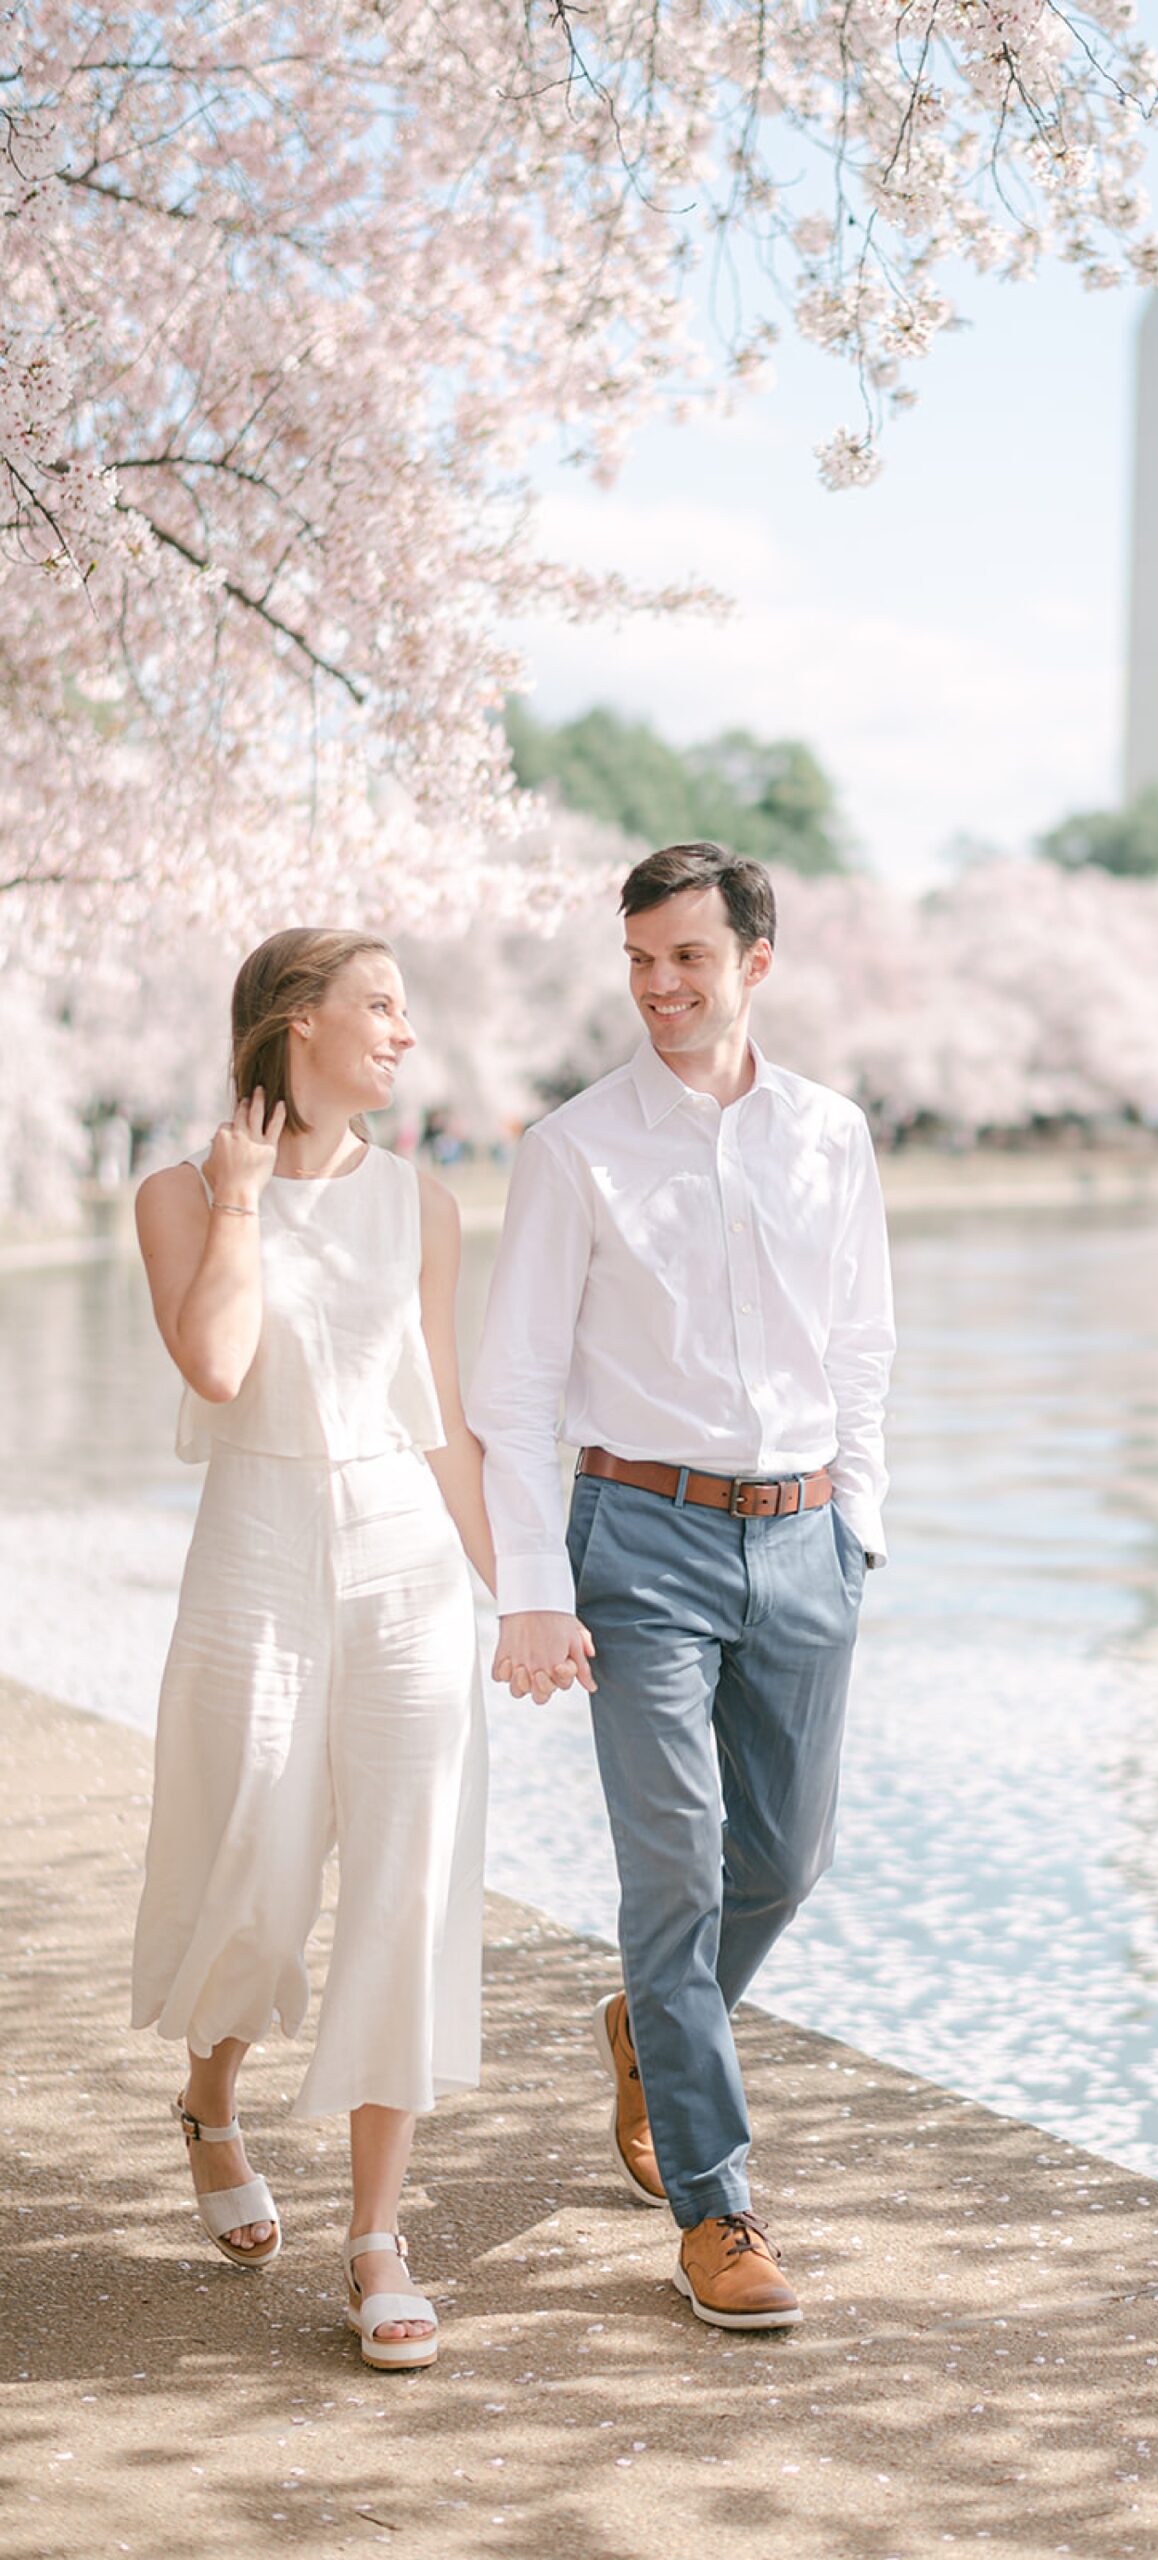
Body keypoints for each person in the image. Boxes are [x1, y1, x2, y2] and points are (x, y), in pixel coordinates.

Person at [468, 842, 894, 2331]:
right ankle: (719, 2214)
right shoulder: (574, 1147)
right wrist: (532, 1585)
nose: (659, 987)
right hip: (636, 1542)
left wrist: (859, 1524)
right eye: (640, 961)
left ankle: (650, 2031)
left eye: (688, 960)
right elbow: (513, 1386)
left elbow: (860, 1346)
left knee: (779, 1864)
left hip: (802, 1540)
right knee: (675, 1869)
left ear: (754, 963)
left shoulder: (830, 1135)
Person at [130, 928, 492, 2373]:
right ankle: (211, 2106)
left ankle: (377, 2237)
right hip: (256, 1555)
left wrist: (520, 1588)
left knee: (405, 1886)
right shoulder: (179, 1191)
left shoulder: (425, 1204)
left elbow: (445, 1416)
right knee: (255, 1883)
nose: (407, 1033)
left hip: (406, 1559)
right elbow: (216, 1366)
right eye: (381, 1006)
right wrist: (237, 1206)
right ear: (297, 1022)